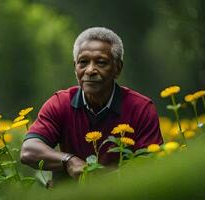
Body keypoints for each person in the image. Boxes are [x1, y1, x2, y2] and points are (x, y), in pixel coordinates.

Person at [20, 27, 163, 182]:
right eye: (83, 62)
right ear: (75, 67)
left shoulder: (141, 108)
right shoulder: (60, 103)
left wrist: (97, 182)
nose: (90, 70)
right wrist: (69, 161)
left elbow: (151, 166)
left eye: (101, 62)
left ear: (118, 68)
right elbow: (28, 151)